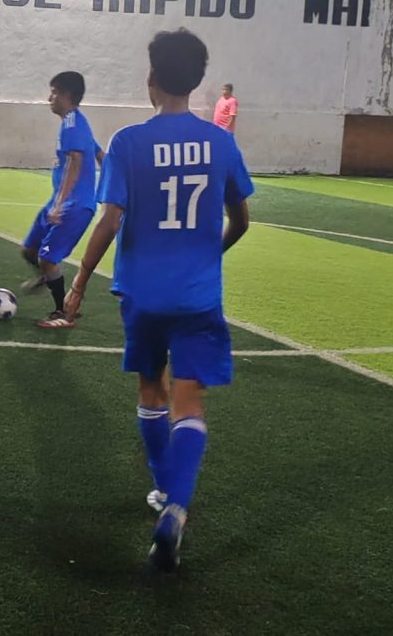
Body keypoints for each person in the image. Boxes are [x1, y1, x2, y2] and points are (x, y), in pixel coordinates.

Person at [64, 30, 253, 572]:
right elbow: (241, 219)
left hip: (143, 294)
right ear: (197, 82)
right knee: (189, 399)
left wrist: (78, 286)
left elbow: (110, 220)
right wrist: (210, 254)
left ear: (151, 79)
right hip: (197, 295)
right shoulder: (221, 143)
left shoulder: (127, 142)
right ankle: (176, 506)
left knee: (153, 387)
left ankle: (159, 485)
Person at [20, 71, 99, 328]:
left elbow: (75, 162)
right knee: (29, 250)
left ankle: (63, 314)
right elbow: (98, 152)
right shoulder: (75, 122)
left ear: (66, 95)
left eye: (54, 92)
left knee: (48, 259)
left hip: (72, 206)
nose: (49, 98)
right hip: (62, 201)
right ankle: (48, 277)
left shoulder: (73, 124)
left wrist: (58, 203)